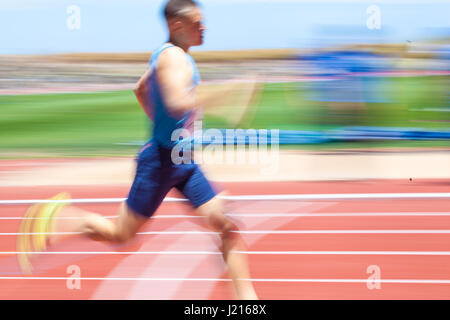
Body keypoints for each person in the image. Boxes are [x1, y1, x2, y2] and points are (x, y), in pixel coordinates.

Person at [18, 0, 258, 300]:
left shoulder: (166, 55)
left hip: (182, 161)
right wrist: (228, 93)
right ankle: (59, 217)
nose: (204, 27)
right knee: (122, 235)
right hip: (159, 163)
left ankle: (247, 301)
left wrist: (167, 129)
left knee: (227, 224)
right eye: (198, 22)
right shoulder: (174, 59)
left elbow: (140, 89)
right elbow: (175, 102)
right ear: (177, 25)